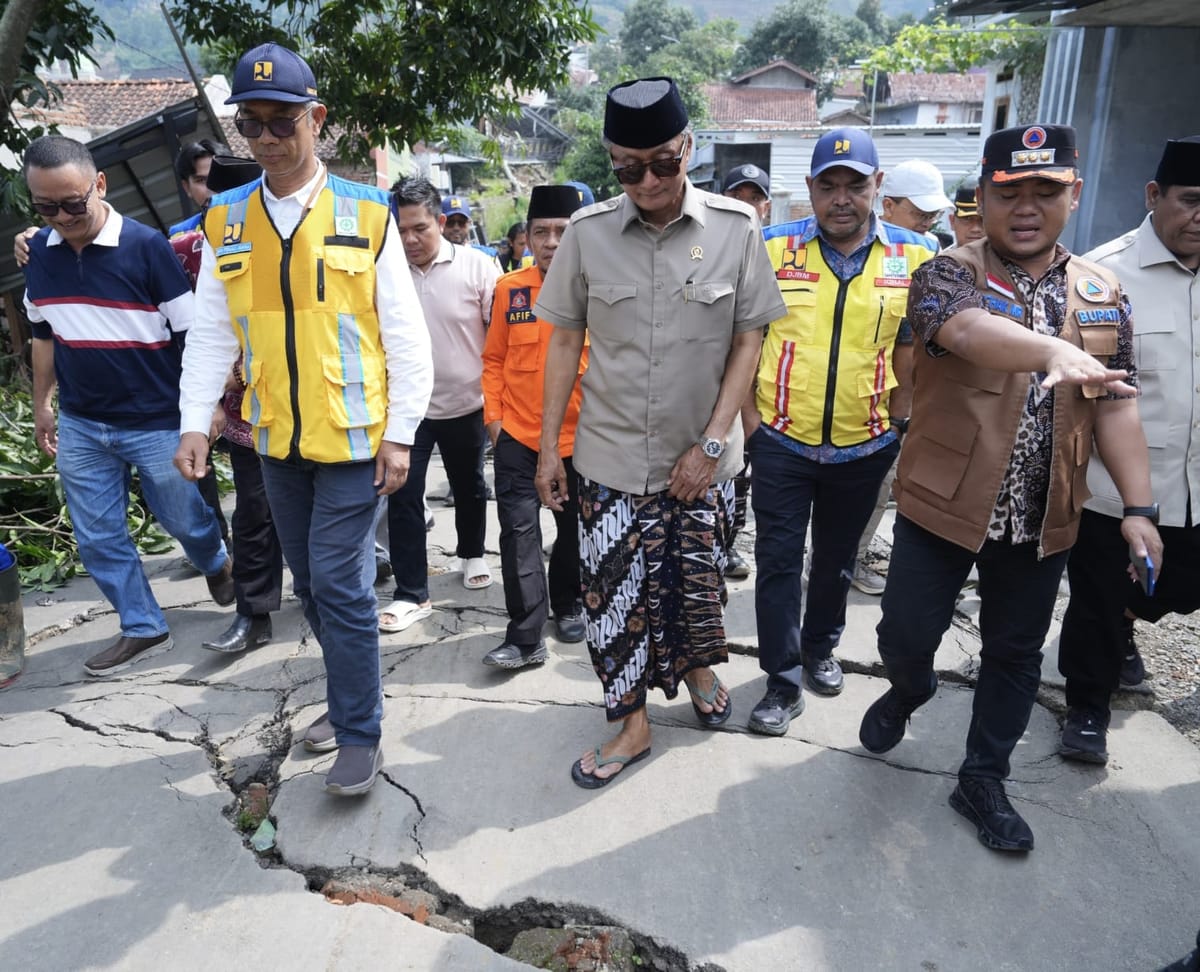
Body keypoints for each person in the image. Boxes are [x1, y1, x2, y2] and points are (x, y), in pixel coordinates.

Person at [857, 124, 1162, 853]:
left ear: (1073, 194)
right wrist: (1053, 350)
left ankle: (983, 779)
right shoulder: (946, 273)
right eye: (1010, 192)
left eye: (1045, 191)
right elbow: (965, 333)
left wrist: (1139, 510)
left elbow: (1115, 405)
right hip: (942, 505)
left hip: (1043, 512)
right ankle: (910, 687)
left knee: (1015, 653)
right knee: (904, 635)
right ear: (984, 198)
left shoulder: (1102, 291)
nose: (1027, 208)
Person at [175, 43, 433, 796]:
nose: (266, 138)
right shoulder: (225, 220)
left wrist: (401, 434)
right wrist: (194, 422)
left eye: (281, 121)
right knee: (312, 587)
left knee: (340, 584)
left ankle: (359, 731)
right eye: (250, 124)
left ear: (316, 118)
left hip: (353, 438)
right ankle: (347, 697)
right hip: (274, 439)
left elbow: (405, 336)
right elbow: (212, 335)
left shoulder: (368, 212)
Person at [535, 76, 787, 788]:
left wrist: (712, 444)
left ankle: (699, 667)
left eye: (662, 164)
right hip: (609, 459)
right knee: (614, 600)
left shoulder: (737, 229)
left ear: (689, 148)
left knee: (696, 589)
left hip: (704, 459)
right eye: (628, 168)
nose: (647, 181)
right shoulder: (587, 234)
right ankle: (632, 724)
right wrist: (550, 448)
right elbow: (563, 344)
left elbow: (749, 338)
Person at [746, 128, 938, 737]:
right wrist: (750, 422)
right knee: (778, 562)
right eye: (827, 186)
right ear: (809, 188)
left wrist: (900, 422)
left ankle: (820, 648)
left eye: (855, 185)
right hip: (781, 438)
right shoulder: (772, 247)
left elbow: (910, 347)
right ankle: (781, 680)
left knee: (835, 562)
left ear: (877, 185)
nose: (841, 198)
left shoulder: (916, 254)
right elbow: (744, 338)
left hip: (866, 442)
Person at [21, 135, 234, 677]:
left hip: (156, 419)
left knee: (183, 517)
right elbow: (43, 335)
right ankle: (142, 624)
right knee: (97, 533)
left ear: (99, 185)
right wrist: (42, 404)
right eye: (46, 207)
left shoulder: (146, 247)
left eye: (72, 203)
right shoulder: (38, 253)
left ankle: (214, 559)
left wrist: (206, 406)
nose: (61, 217)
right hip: (82, 423)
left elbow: (193, 333)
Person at [1057, 135, 1200, 763]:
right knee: (1099, 600)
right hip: (1117, 491)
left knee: (1174, 589)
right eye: (1191, 200)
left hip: (1198, 487)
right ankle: (1087, 707)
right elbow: (1080, 396)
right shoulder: (1103, 276)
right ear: (1153, 195)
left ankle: (1130, 624)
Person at [379, 176, 498, 633]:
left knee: (469, 484)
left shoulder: (478, 268)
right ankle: (412, 592)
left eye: (420, 229)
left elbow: (498, 341)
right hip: (407, 409)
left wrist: (497, 406)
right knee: (403, 493)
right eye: (401, 230)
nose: (410, 240)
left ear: (441, 223)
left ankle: (472, 553)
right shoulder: (385, 272)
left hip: (467, 401)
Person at [480, 185, 587, 669]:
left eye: (562, 231)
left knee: (574, 530)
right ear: (527, 237)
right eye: (540, 232)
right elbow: (493, 359)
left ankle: (568, 603)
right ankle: (525, 636)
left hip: (580, 440)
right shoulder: (510, 289)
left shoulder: (598, 289)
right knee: (518, 533)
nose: (551, 242)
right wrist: (495, 421)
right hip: (519, 436)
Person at [845, 158, 954, 597]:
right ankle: (840, 562)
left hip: (909, 401)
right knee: (866, 488)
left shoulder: (930, 253)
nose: (927, 222)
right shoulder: (857, 254)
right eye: (919, 213)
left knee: (886, 487)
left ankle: (849, 558)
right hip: (868, 400)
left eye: (933, 215)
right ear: (887, 205)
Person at [720, 163, 773, 582]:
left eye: (755, 198)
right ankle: (719, 544)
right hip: (720, 388)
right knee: (724, 471)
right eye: (737, 198)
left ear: (766, 207)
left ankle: (730, 541)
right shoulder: (706, 252)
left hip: (769, 392)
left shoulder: (782, 254)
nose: (747, 206)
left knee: (747, 477)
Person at [881, 159, 951, 250]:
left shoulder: (931, 246)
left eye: (933, 216)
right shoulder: (864, 242)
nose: (926, 224)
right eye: (920, 215)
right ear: (888, 206)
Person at [168, 139, 227, 237]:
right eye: (201, 180)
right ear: (187, 188)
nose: (211, 186)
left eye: (217, 177)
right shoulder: (181, 235)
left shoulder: (253, 213)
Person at [948, 181, 985, 247]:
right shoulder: (939, 254)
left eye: (983, 219)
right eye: (967, 219)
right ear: (952, 221)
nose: (976, 229)